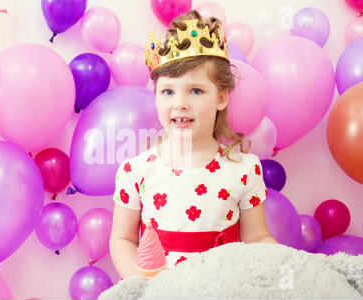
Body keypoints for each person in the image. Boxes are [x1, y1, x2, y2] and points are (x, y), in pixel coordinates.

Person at [109, 10, 318, 281]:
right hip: (159, 295)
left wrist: (299, 265)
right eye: (168, 91)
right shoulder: (135, 170)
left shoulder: (244, 169)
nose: (180, 102)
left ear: (221, 98)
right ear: (156, 96)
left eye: (196, 91)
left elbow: (257, 237)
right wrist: (140, 285)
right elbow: (122, 238)